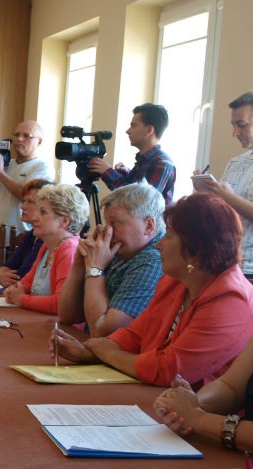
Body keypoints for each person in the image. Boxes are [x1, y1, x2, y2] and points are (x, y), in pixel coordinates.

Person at [53, 193, 253, 387]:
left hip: (189, 404)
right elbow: (136, 334)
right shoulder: (175, 281)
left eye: (169, 235)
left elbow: (169, 370)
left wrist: (107, 353)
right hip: (155, 395)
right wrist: (90, 352)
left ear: (196, 248)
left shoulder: (230, 301)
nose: (159, 245)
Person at [58, 183, 165, 337]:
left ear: (148, 226)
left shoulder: (154, 260)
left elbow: (103, 333)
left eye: (115, 223)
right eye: (107, 224)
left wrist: (95, 268)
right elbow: (67, 316)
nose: (107, 232)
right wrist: (79, 265)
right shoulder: (120, 249)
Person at [0, 120, 55, 268]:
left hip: (21, 241)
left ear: (39, 142)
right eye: (16, 135)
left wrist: (0, 172)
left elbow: (26, 195)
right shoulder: (4, 164)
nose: (19, 139)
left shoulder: (42, 167)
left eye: (26, 136)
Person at [3, 184, 89, 314]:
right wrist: (14, 290)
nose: (35, 218)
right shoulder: (47, 246)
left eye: (43, 212)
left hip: (59, 325)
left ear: (64, 221)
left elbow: (61, 304)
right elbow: (27, 282)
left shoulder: (69, 250)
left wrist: (21, 299)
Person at [197, 91, 253, 279]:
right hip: (226, 262)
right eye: (233, 125)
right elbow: (223, 211)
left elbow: (230, 199)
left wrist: (229, 197)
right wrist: (206, 194)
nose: (235, 133)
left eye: (241, 125)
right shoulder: (235, 163)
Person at [88, 103, 176, 205]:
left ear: (149, 130)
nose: (128, 131)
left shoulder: (161, 164)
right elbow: (136, 188)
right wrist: (126, 173)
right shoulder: (145, 160)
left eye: (133, 126)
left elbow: (140, 203)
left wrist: (108, 172)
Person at [0, 178, 51, 287]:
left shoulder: (46, 238)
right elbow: (7, 266)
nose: (23, 206)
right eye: (23, 201)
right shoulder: (31, 235)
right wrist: (1, 275)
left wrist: (3, 276)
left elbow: (21, 276)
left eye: (30, 202)